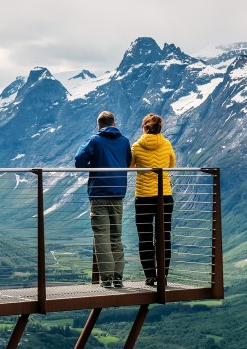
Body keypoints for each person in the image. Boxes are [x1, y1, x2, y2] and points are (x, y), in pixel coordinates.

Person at [74, 110, 132, 288]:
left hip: (99, 194)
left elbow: (79, 161)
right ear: (114, 124)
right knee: (116, 236)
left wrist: (94, 164)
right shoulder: (124, 141)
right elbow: (127, 162)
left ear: (98, 125)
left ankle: (106, 278)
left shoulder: (95, 140)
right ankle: (118, 278)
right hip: (117, 194)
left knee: (101, 236)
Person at [130, 113, 176, 287]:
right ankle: (163, 276)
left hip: (143, 197)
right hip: (164, 195)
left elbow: (131, 167)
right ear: (160, 128)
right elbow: (171, 165)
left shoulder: (136, 146)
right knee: (164, 236)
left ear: (144, 127)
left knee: (145, 237)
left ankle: (150, 276)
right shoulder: (167, 145)